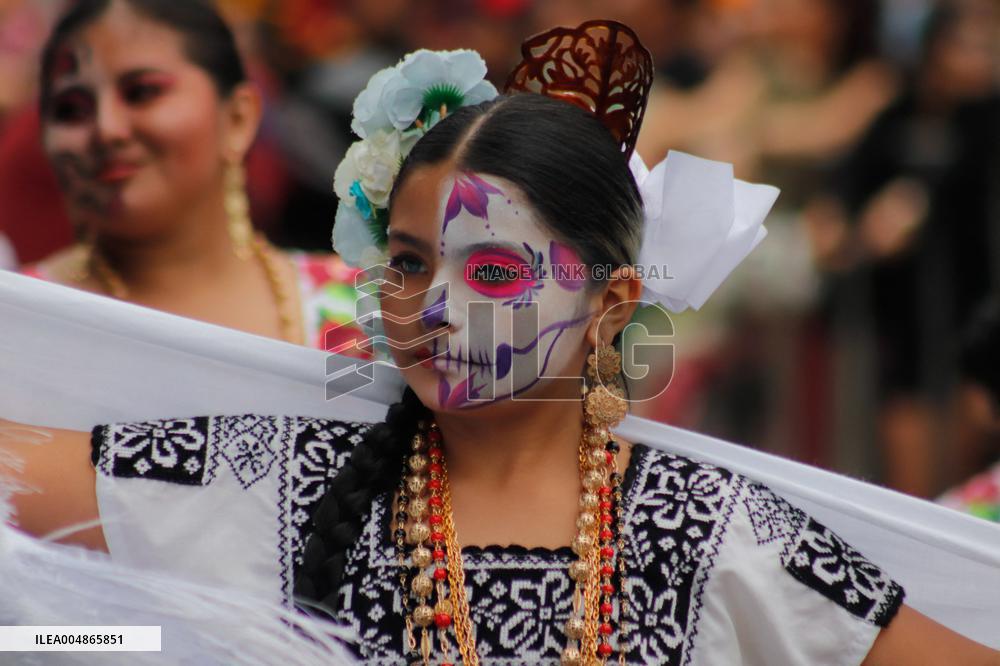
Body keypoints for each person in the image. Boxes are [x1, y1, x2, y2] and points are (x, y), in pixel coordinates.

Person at [3, 21, 999, 666]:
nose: (430, 306)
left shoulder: (715, 533)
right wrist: (92, 646)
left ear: (610, 305)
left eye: (490, 272)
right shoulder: (275, 480)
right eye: (406, 264)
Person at [19, 0, 368, 353]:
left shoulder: (367, 312)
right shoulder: (17, 317)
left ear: (238, 118)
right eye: (70, 109)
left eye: (142, 92)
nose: (107, 129)